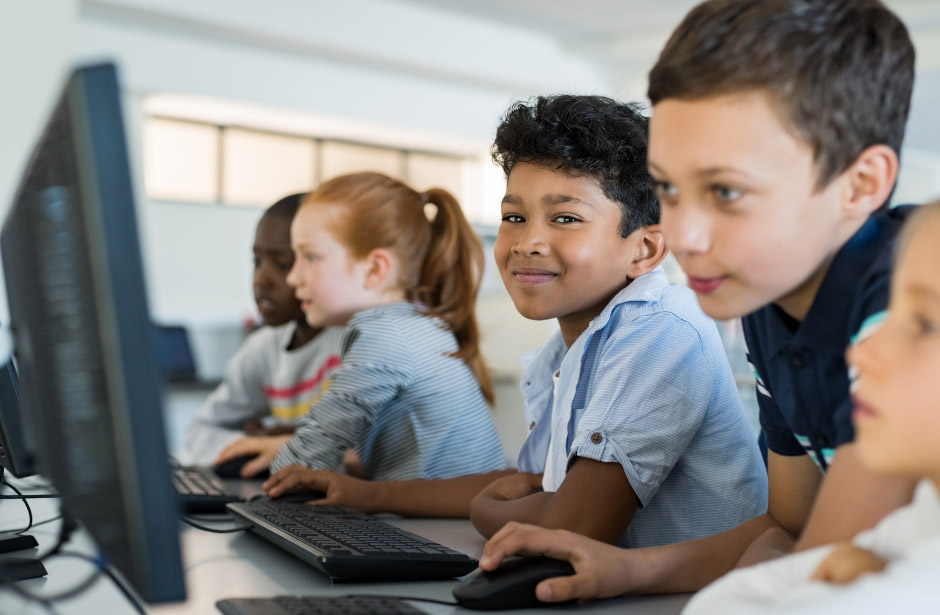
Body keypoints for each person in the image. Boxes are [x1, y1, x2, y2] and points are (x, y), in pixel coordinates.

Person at [477, 0, 920, 603]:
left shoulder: (907, 302)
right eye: (670, 190)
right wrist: (625, 570)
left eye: (726, 190)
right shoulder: (771, 299)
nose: (684, 237)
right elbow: (790, 528)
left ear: (860, 184)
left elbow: (832, 568)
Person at [263, 95, 767, 549]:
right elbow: (527, 483)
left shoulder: (661, 328)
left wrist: (488, 510)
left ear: (646, 249)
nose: (527, 242)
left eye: (565, 218)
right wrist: (366, 495)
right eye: (514, 217)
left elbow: (573, 525)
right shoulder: (568, 348)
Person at [683, 201, 940, 614]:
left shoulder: (919, 583)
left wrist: (802, 569)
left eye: (924, 324)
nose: (861, 354)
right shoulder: (922, 520)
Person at [215, 172, 508, 481]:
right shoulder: (414, 323)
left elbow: (306, 460)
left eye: (309, 257)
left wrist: (282, 458)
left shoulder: (385, 336)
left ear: (374, 269)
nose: (293, 278)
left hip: (439, 526)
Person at [184, 193, 344, 467]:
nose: (261, 280)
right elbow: (199, 433)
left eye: (282, 265)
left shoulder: (353, 343)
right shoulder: (265, 347)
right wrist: (260, 446)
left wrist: (291, 441)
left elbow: (369, 455)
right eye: (256, 262)